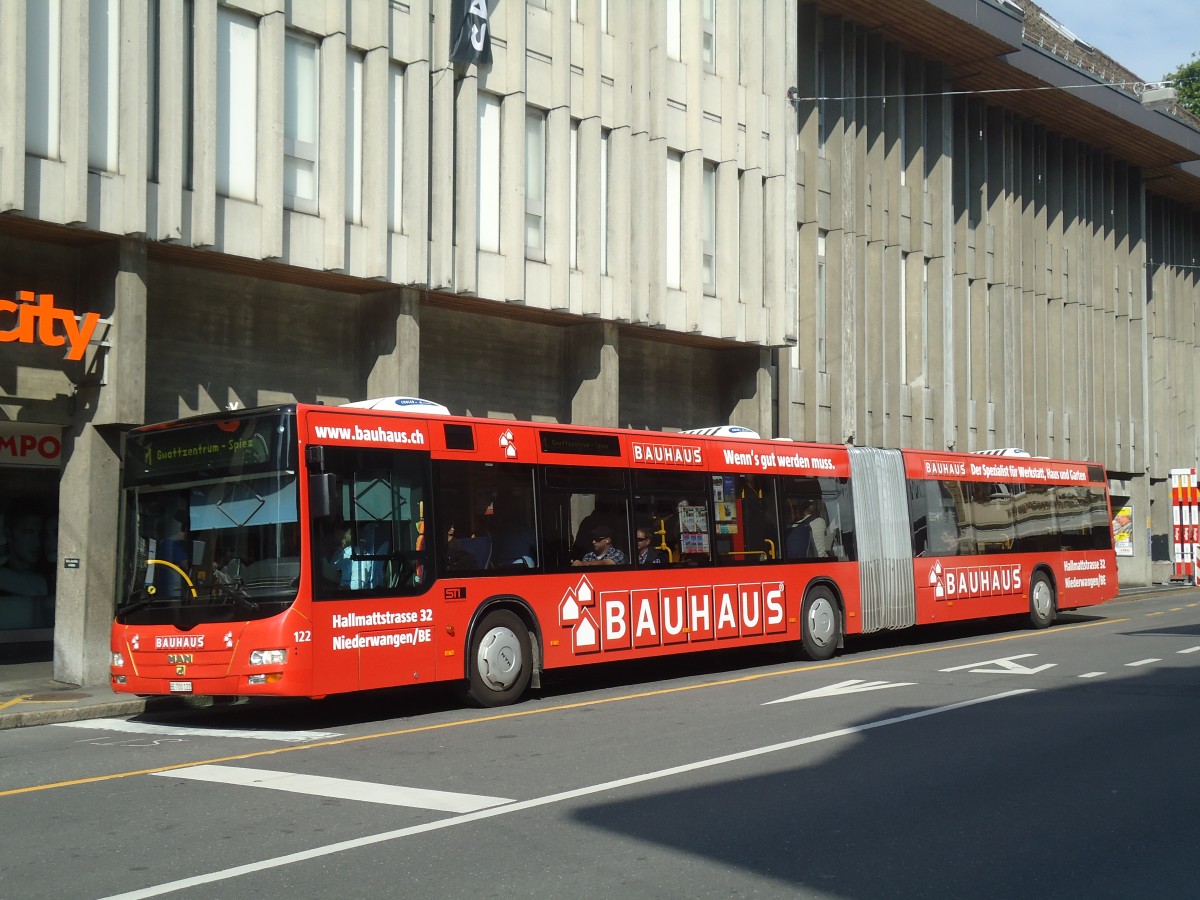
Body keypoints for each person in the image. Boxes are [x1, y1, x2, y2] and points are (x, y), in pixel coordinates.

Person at [0, 510, 49, 596]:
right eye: (28, 533)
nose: (37, 542)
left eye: (41, 534)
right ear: (8, 534)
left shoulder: (51, 576)